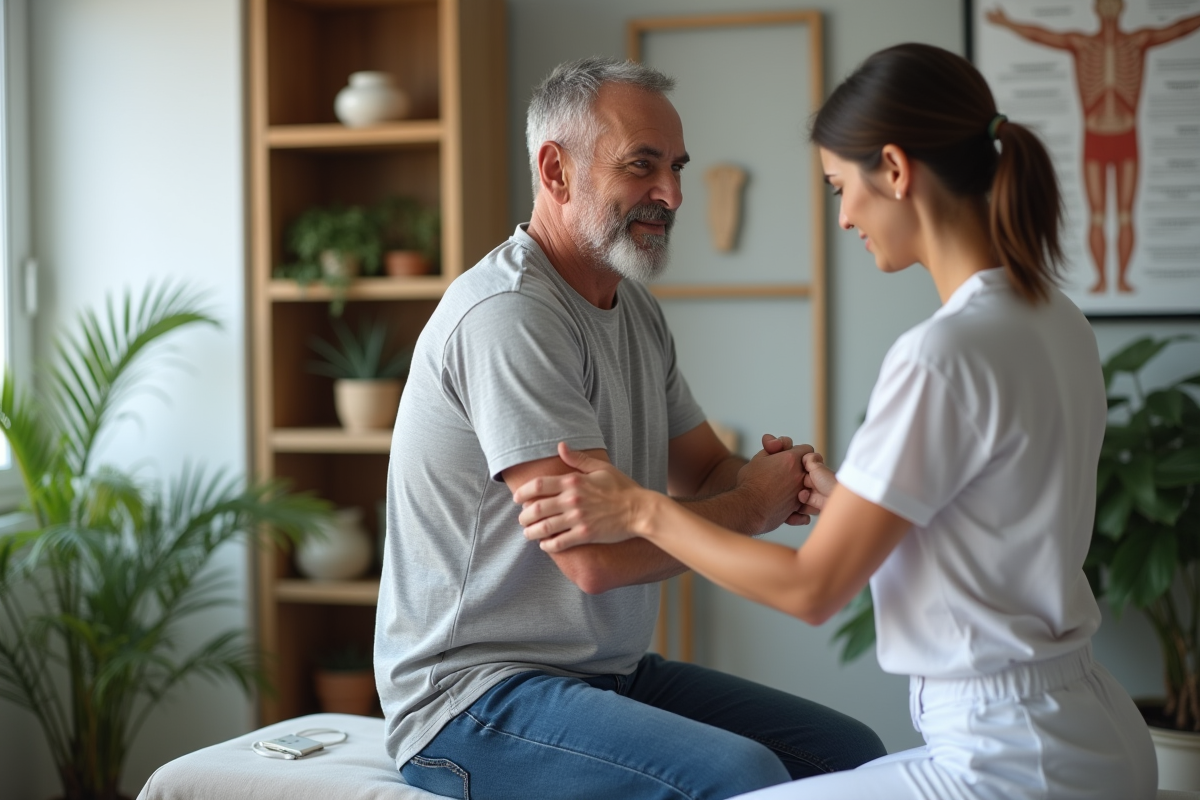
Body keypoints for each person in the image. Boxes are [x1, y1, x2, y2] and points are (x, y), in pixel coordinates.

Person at [516, 43, 1158, 800]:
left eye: (839, 187)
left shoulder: (941, 353)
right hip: (1097, 732)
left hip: (1004, 759)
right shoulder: (1054, 318)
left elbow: (811, 590)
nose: (846, 215)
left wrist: (639, 507)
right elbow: (992, 519)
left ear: (894, 169)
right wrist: (853, 500)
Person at [373, 56, 886, 800]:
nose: (671, 193)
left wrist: (775, 478)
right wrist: (751, 508)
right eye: (642, 166)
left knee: (851, 754)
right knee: (742, 775)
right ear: (555, 171)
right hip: (470, 701)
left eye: (675, 167)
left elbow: (707, 471)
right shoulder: (510, 315)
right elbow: (593, 560)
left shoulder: (633, 309)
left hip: (604, 675)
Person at [987, 0, 1200, 294]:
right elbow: (1041, 34)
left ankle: (1122, 279)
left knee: (1125, 213)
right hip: (1094, 138)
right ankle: (1102, 279)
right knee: (1097, 213)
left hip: (1127, 136)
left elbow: (1178, 29)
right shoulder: (1081, 43)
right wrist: (1008, 23)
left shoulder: (1139, 41)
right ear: (1097, 8)